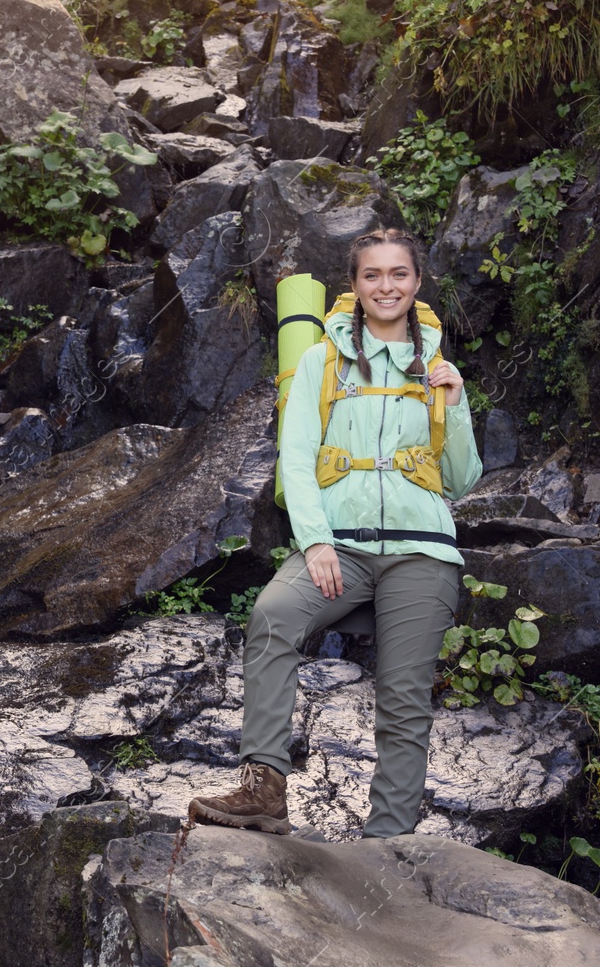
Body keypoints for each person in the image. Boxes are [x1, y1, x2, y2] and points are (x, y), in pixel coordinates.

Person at [187, 228, 484, 839]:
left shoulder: (437, 366)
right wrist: (315, 541)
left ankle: (389, 838)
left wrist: (452, 406)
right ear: (354, 286)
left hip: (421, 551)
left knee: (403, 696)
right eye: (372, 275)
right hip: (338, 544)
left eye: (398, 274)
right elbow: (296, 460)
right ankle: (264, 786)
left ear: (416, 283)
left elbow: (460, 479)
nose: (386, 286)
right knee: (272, 616)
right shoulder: (322, 360)